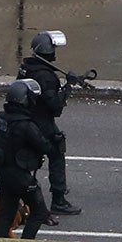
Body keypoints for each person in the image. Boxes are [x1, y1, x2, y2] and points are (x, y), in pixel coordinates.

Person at [18, 30, 80, 217]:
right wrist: (68, 87)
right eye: (53, 48)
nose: (55, 52)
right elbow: (55, 107)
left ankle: (8, 190)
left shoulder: (26, 68)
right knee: (56, 151)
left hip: (25, 118)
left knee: (25, 157)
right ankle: (59, 200)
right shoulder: (46, 76)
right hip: (40, 121)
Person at [0, 79, 52, 240]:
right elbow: (45, 146)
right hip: (21, 176)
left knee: (7, 212)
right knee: (39, 212)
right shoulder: (25, 125)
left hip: (3, 173)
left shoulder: (2, 118)